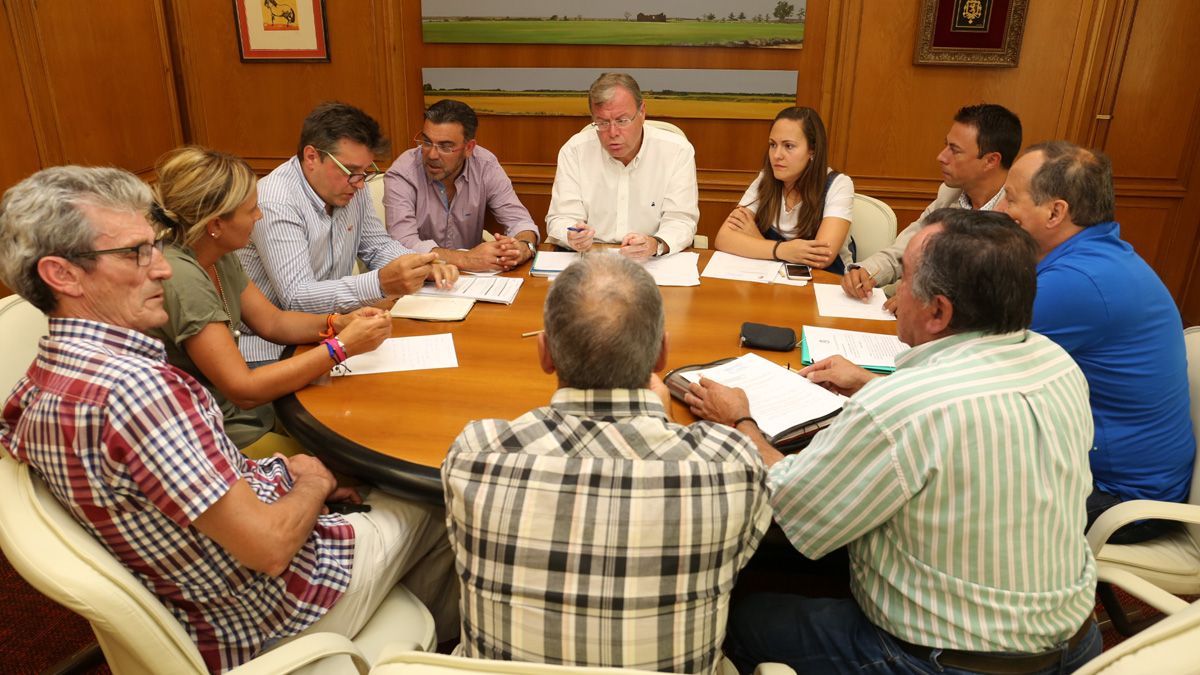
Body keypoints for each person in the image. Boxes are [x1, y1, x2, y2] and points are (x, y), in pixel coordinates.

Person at [0, 166, 458, 673]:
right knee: (444, 501)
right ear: (61, 275)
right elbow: (270, 547)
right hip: (278, 611)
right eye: (135, 253)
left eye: (153, 247)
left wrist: (285, 475)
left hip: (199, 596)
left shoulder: (34, 387)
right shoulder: (141, 393)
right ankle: (428, 658)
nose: (163, 269)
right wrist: (310, 483)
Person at [687, 209, 1100, 674]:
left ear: (939, 311)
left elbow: (791, 504)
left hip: (945, 663)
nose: (893, 297)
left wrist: (741, 420)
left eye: (902, 282)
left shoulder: (904, 407)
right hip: (1079, 645)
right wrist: (870, 383)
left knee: (741, 617)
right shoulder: (1057, 364)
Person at [442, 254, 770, 673]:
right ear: (661, 354)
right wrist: (663, 421)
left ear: (545, 354)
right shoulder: (728, 465)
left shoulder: (476, 453)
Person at [1000, 141, 1195, 543]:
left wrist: (869, 381)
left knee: (952, 482)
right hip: (1112, 474)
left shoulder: (1081, 282)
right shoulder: (1097, 259)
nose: (1002, 210)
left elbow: (968, 362)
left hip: (1120, 501)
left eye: (1011, 198)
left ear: (1056, 212)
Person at [145, 146, 392, 454]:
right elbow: (244, 390)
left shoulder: (216, 253)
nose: (259, 216)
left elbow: (272, 321)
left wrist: (338, 323)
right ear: (215, 225)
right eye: (251, 211)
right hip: (211, 435)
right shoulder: (181, 278)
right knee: (353, 462)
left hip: (243, 416)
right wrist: (342, 348)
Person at [237, 101, 459, 363]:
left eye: (364, 172)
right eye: (351, 171)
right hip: (273, 348)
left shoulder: (352, 186)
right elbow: (296, 299)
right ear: (311, 157)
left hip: (338, 329)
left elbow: (377, 247)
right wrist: (379, 283)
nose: (359, 183)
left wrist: (419, 266)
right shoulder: (276, 201)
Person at [843, 103, 1021, 301]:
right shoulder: (949, 194)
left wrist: (923, 301)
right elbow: (909, 246)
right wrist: (866, 270)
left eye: (955, 150)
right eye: (946, 145)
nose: (941, 157)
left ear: (991, 160)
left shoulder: (1019, 211)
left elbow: (993, 290)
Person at [545, 72, 698, 260]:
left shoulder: (676, 151)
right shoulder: (575, 150)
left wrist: (655, 243)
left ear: (642, 113)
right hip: (590, 257)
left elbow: (681, 221)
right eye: (602, 122)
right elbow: (560, 218)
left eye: (622, 121)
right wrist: (572, 235)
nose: (612, 132)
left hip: (653, 260)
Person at [384, 99, 539, 273]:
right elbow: (402, 244)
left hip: (472, 280)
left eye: (445, 146)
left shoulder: (485, 165)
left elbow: (520, 221)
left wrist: (522, 248)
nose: (432, 155)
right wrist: (466, 259)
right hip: (419, 281)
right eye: (426, 142)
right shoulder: (403, 173)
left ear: (469, 148)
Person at [714, 106, 855, 274]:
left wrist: (756, 239)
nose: (776, 155)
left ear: (813, 150)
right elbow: (723, 238)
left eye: (788, 146)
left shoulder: (839, 184)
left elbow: (821, 259)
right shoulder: (765, 179)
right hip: (775, 283)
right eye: (773, 145)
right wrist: (783, 250)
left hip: (825, 285)